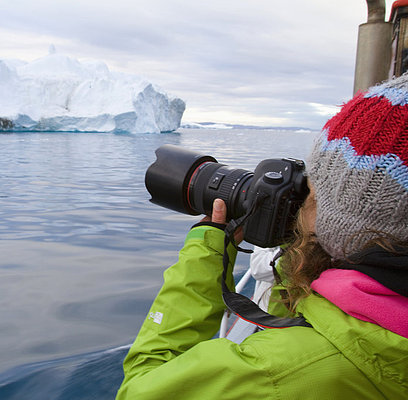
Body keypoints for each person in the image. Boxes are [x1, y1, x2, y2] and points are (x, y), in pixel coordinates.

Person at [116, 75, 408, 399]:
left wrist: (207, 249)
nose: (300, 208)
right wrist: (303, 263)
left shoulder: (278, 373)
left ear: (343, 222)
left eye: (312, 194)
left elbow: (140, 390)